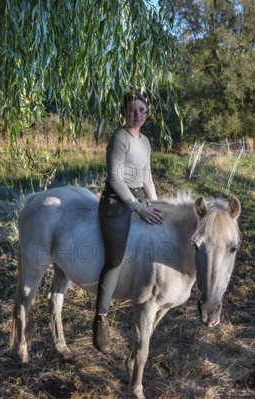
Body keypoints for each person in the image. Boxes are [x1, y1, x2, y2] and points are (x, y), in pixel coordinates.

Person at [93, 92, 164, 354]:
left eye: (142, 110)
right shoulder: (119, 138)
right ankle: (101, 316)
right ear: (124, 112)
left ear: (147, 112)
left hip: (138, 201)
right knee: (114, 259)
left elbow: (147, 176)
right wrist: (137, 208)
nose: (138, 115)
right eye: (132, 111)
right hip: (116, 202)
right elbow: (115, 178)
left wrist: (155, 204)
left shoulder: (145, 141)